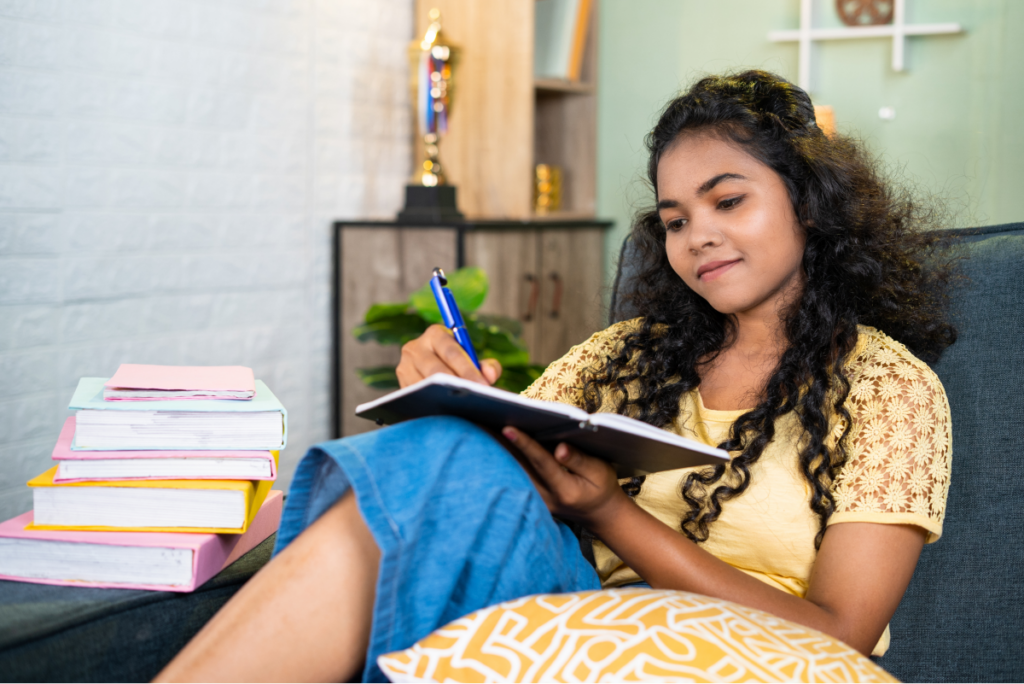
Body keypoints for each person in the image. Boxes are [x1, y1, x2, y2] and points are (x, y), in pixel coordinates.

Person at [156, 70, 956, 684]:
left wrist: (610, 511)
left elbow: (841, 633)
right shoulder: (623, 354)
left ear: (810, 205)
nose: (697, 237)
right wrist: (447, 391)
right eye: (675, 220)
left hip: (765, 657)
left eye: (728, 201)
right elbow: (464, 485)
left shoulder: (889, 388)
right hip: (572, 617)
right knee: (447, 449)